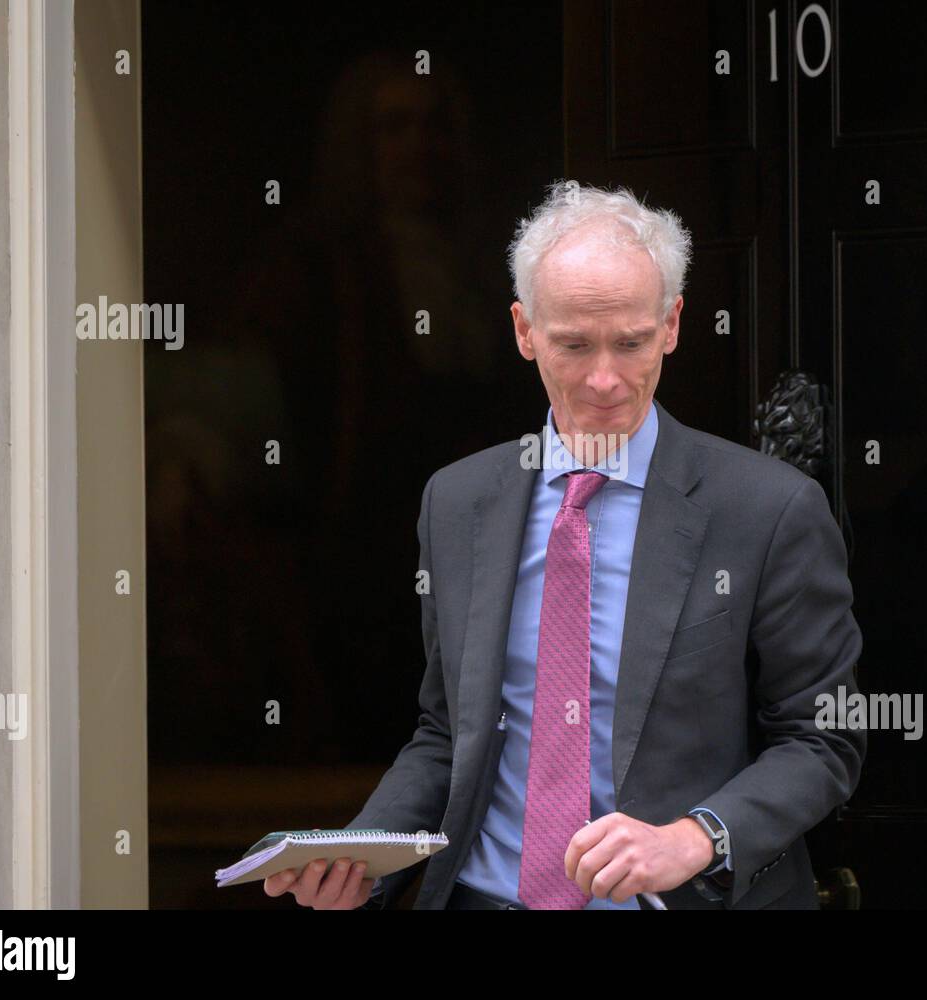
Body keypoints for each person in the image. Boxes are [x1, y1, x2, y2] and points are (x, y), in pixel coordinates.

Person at [264, 180, 865, 910]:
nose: (604, 378)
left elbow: (822, 740)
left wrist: (694, 836)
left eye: (632, 343)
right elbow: (448, 733)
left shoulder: (768, 509)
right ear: (524, 331)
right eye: (573, 344)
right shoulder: (456, 501)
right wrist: (365, 858)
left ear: (672, 324)